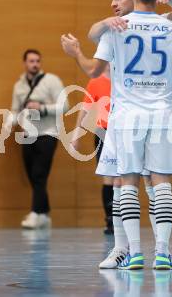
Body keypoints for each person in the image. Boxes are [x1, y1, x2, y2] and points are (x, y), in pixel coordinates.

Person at [61, 0, 172, 270]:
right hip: (160, 116)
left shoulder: (117, 28)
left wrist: (75, 53)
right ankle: (162, 252)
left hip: (126, 117)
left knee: (127, 183)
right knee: (161, 184)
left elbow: (93, 71)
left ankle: (134, 253)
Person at [8, 49, 69, 229]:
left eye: (37, 61)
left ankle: (36, 213)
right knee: (33, 177)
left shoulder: (52, 81)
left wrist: (42, 108)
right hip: (27, 135)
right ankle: (43, 213)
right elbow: (15, 109)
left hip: (48, 133)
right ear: (25, 63)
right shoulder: (19, 86)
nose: (35, 64)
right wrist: (9, 124)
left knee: (39, 174)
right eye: (31, 61)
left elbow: (65, 106)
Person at [71, 64, 114, 234]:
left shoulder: (124, 79)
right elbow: (85, 109)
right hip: (103, 133)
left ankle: (122, 218)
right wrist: (76, 133)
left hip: (123, 133)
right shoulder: (95, 81)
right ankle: (110, 219)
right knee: (108, 178)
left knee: (123, 177)